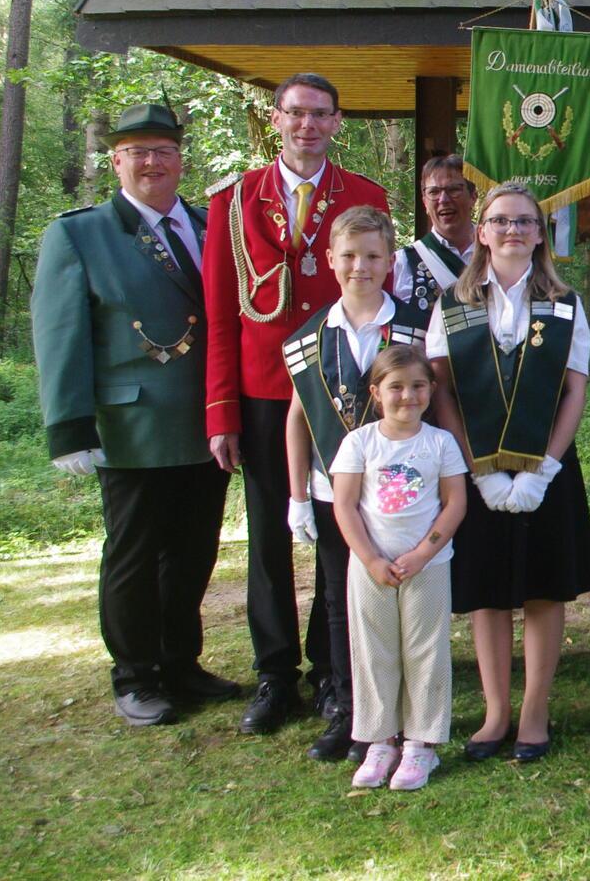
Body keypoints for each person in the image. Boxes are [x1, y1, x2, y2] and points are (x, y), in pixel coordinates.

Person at [31, 102, 239, 726]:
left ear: (181, 160)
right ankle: (136, 674)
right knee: (134, 552)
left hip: (206, 423)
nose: (153, 163)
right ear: (116, 160)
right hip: (134, 425)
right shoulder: (80, 234)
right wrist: (68, 427)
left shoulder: (211, 227)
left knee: (195, 548)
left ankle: (181, 663)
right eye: (138, 152)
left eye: (165, 151)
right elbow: (61, 333)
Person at [202, 72, 389, 734]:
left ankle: (332, 673)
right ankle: (274, 674)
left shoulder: (365, 197)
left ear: (338, 122)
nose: (307, 125)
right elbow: (221, 314)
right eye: (295, 113)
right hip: (263, 390)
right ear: (275, 119)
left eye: (320, 114)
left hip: (341, 388)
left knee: (339, 533)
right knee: (270, 538)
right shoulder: (233, 200)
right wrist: (220, 410)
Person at [426, 181, 590, 762]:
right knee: (488, 592)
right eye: (500, 221)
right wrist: (477, 473)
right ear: (481, 231)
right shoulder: (451, 302)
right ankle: (496, 711)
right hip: (475, 471)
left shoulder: (566, 302)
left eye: (525, 222)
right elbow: (442, 390)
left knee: (545, 587)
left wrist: (544, 470)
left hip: (544, 469)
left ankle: (534, 710)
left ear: (539, 233)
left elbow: (575, 391)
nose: (512, 231)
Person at [281, 206, 431, 762]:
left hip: (406, 495)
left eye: (371, 256)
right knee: (343, 603)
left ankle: (409, 714)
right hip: (333, 495)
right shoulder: (307, 339)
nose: (359, 267)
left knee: (406, 600)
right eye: (348, 256)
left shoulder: (420, 324)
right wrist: (298, 496)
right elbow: (297, 418)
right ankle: (352, 713)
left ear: (390, 261)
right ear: (330, 261)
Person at [329, 345, 469, 791]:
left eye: (417, 386)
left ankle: (421, 745)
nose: (407, 396)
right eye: (396, 387)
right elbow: (345, 506)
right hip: (371, 568)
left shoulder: (441, 443)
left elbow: (455, 504)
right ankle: (379, 740)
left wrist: (422, 554)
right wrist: (372, 559)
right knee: (374, 650)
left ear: (431, 390)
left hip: (427, 567)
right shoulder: (359, 443)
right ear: (376, 392)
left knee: (425, 650)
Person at [392, 154, 477, 313]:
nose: (443, 199)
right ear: (424, 202)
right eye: (434, 192)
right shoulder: (404, 262)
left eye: (453, 190)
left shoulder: (495, 252)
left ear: (473, 197)